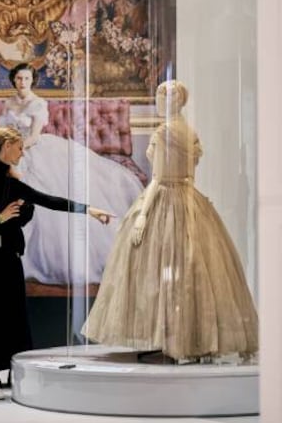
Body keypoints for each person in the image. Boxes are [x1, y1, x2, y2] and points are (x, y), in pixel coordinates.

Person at [81, 80, 258, 362]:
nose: (162, 102)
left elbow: (158, 179)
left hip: (165, 199)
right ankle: (189, 339)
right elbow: (189, 176)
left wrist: (141, 216)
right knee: (191, 271)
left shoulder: (165, 132)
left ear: (177, 102)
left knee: (162, 270)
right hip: (190, 201)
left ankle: (174, 340)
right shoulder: (189, 131)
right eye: (161, 96)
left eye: (166, 97)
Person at [0, 63, 143, 284]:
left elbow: (33, 136)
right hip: (7, 145)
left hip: (30, 145)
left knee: (40, 190)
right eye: (20, 79)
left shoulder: (39, 104)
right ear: (14, 80)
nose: (23, 83)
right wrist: (1, 146)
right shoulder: (9, 102)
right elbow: (2, 131)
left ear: (32, 81)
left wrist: (14, 149)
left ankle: (15, 249)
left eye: (27, 79)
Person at [0, 127, 111, 400]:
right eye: (20, 147)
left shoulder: (12, 182)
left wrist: (89, 210)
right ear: (7, 145)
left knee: (4, 317)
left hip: (3, 258)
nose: (23, 153)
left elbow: (48, 200)